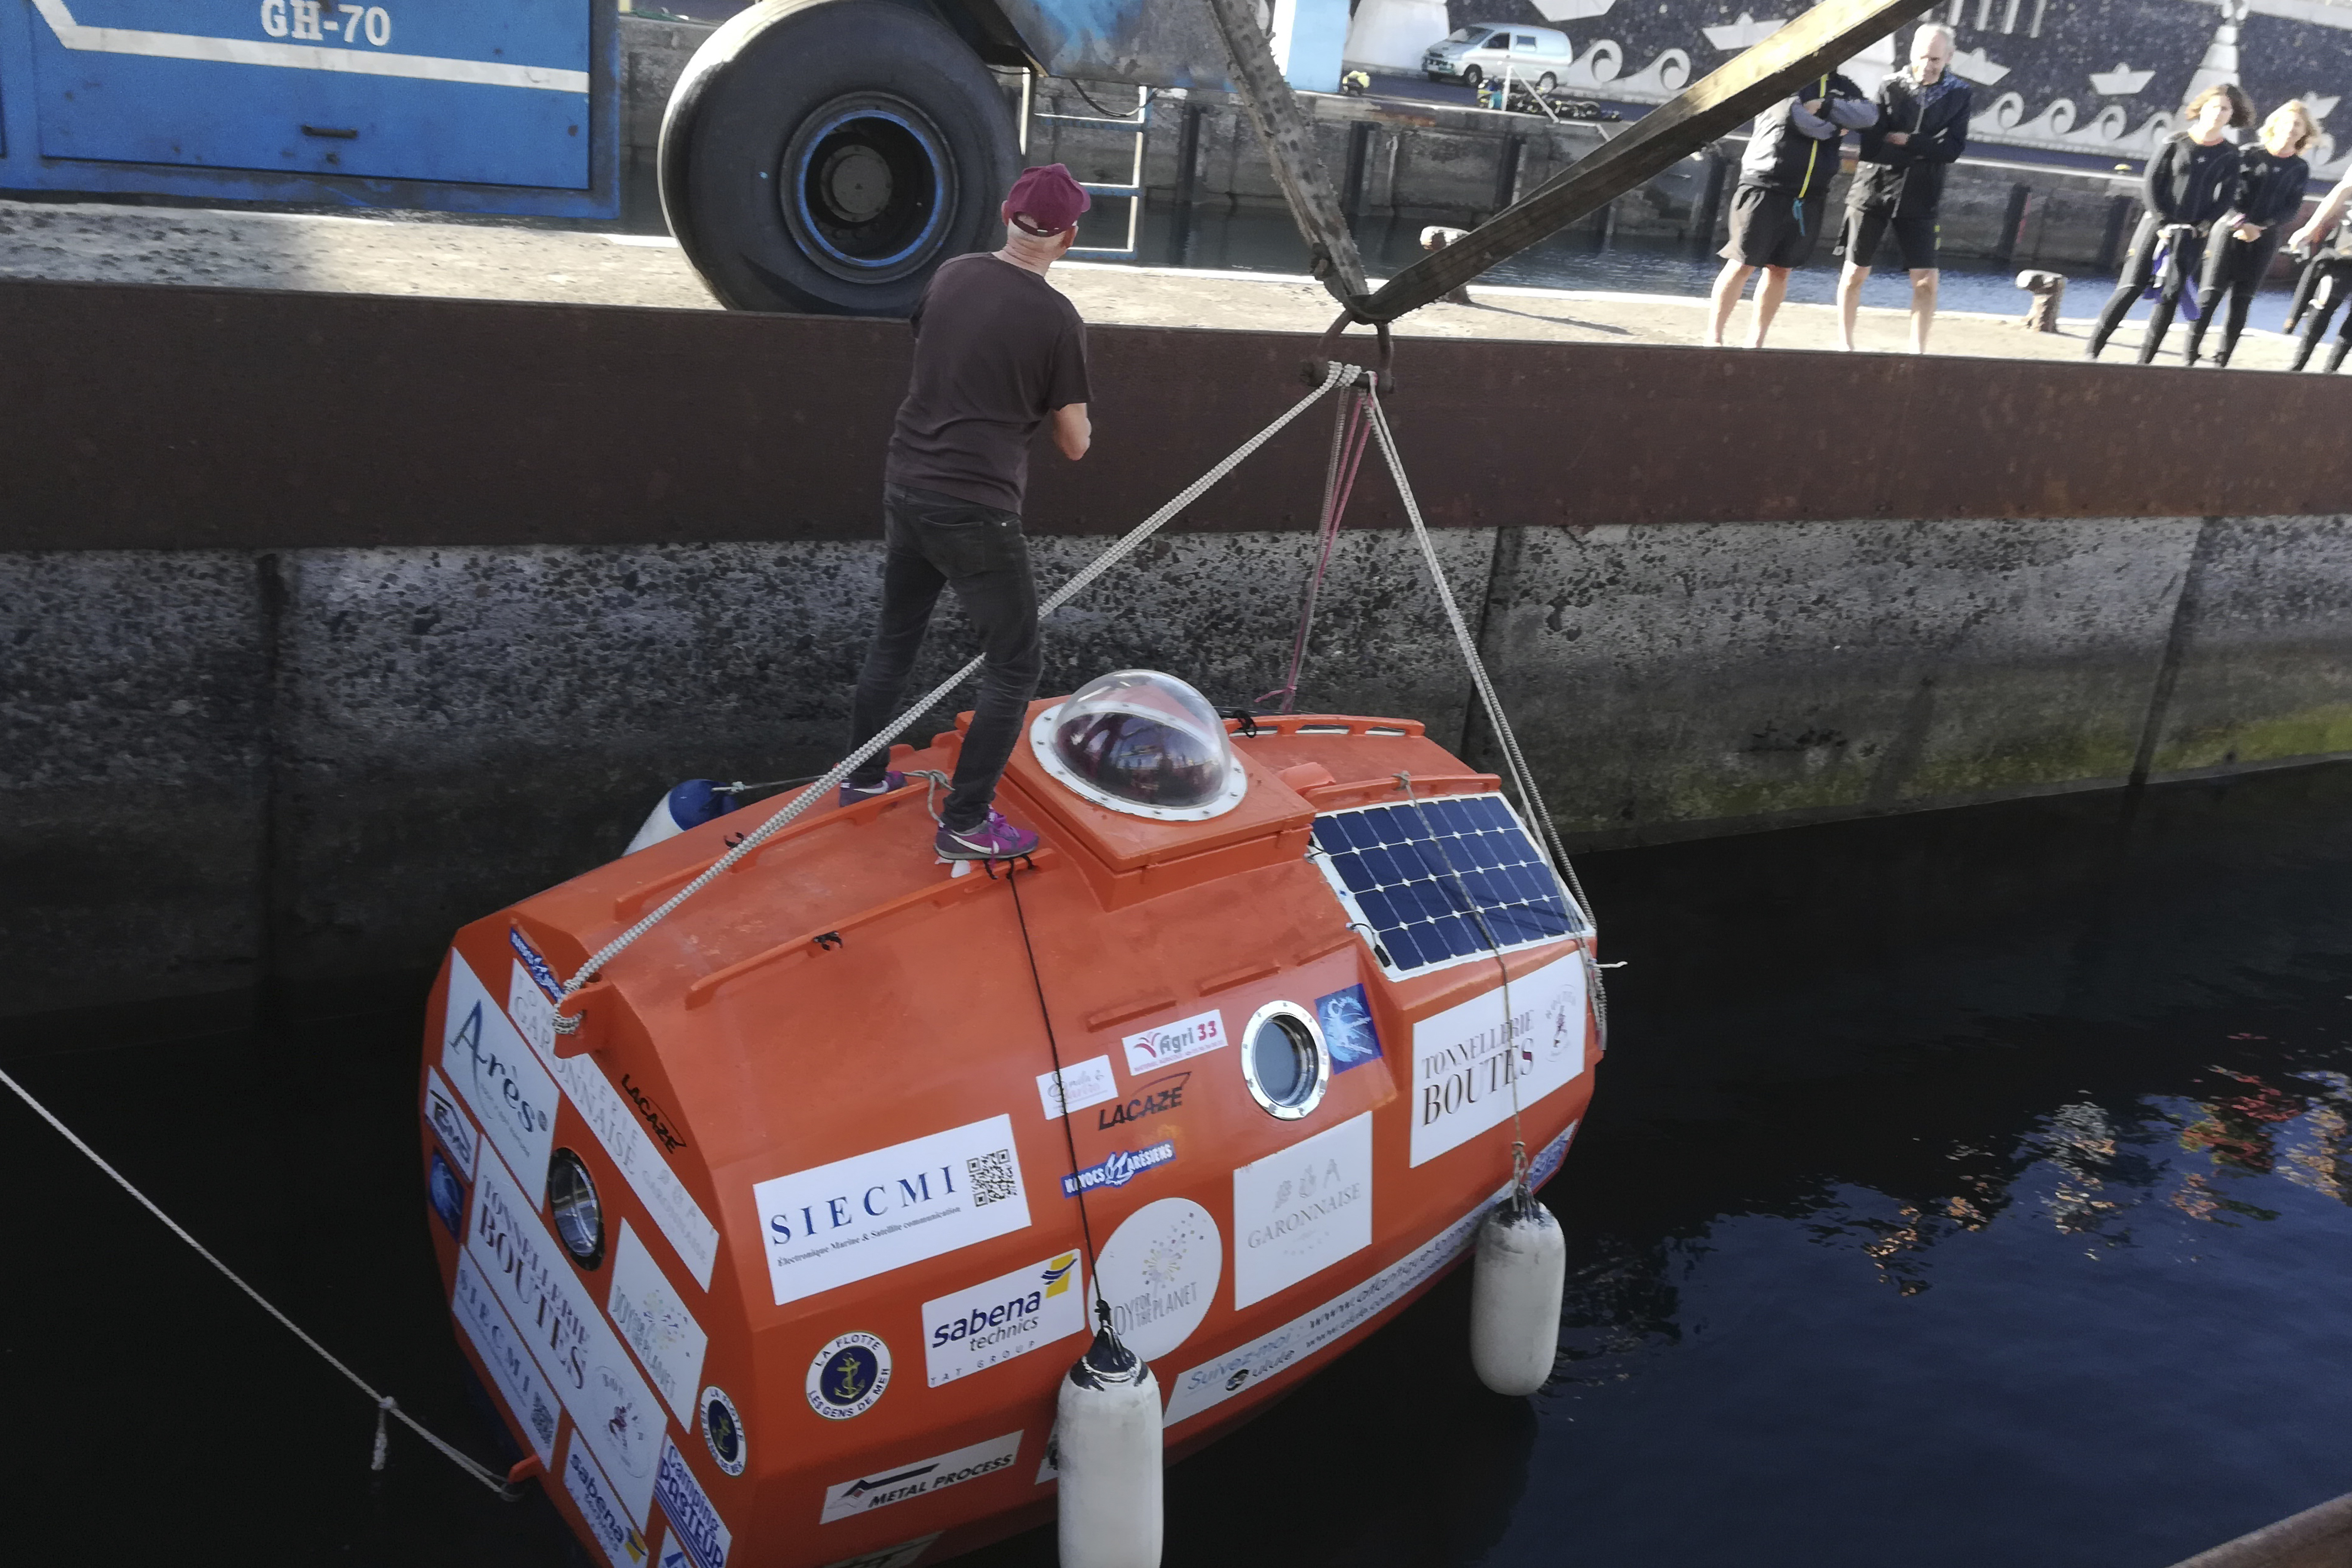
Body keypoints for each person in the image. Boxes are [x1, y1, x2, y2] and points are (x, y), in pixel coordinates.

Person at [840, 165, 1094, 861]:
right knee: (1015, 663)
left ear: (1007, 215)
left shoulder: (951, 275)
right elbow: (1073, 444)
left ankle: (861, 778)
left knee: (896, 638)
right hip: (975, 506)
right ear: (1068, 238)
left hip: (907, 481)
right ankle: (966, 820)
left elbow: (940, 352)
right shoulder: (1057, 320)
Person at [1705, 70, 1877, 349]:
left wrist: (1825, 107)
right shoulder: (1784, 78)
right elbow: (1795, 118)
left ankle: (1756, 341)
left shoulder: (1844, 86)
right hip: (1766, 185)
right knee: (1742, 263)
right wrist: (1836, 129)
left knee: (1781, 270)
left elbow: (1869, 116)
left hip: (1809, 194)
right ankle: (1714, 338)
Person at [2085, 83, 2254, 363]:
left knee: (2171, 295)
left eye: (2225, 109)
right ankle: (2094, 350)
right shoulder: (2175, 142)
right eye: (2213, 107)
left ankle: (2145, 361)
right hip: (2158, 224)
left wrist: (2204, 225)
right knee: (2132, 286)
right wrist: (2163, 222)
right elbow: (2152, 184)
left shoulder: (2230, 154)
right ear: (2201, 109)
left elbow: (2224, 198)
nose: (2218, 113)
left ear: (2231, 115)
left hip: (2193, 232)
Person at [1834, 23, 1970, 354]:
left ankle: (1917, 351)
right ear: (1912, 53)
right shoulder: (1890, 86)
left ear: (1949, 57)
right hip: (1873, 188)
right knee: (1855, 272)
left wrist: (1912, 142)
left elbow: (1952, 149)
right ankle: (1845, 343)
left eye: (1936, 59)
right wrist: (1926, 151)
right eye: (1923, 57)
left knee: (1927, 280)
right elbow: (1872, 145)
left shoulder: (1959, 94)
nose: (1928, 65)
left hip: (1922, 195)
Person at [2186, 100, 2315, 366]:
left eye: (2298, 125)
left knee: (2242, 300)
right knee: (2211, 295)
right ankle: (2190, 353)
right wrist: (2240, 222)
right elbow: (2227, 192)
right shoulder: (2248, 154)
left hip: (2264, 237)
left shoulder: (2299, 168)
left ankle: (2224, 357)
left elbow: (2291, 208)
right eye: (2288, 122)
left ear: (2305, 132)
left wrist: (2261, 226)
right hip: (2230, 230)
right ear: (2275, 125)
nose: (2291, 128)